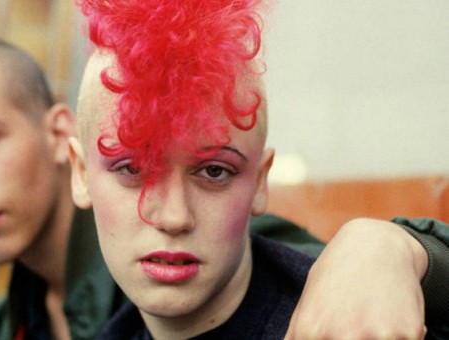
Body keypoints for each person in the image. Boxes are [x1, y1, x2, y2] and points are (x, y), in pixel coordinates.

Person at [0, 41, 449, 339]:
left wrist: (389, 247)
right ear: (83, 170)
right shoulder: (2, 324)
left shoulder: (235, 259)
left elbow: (346, 290)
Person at [68, 0, 448, 338]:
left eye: (214, 172)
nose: (173, 217)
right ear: (81, 175)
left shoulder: (343, 323)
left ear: (261, 182)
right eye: (133, 167)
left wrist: (401, 248)